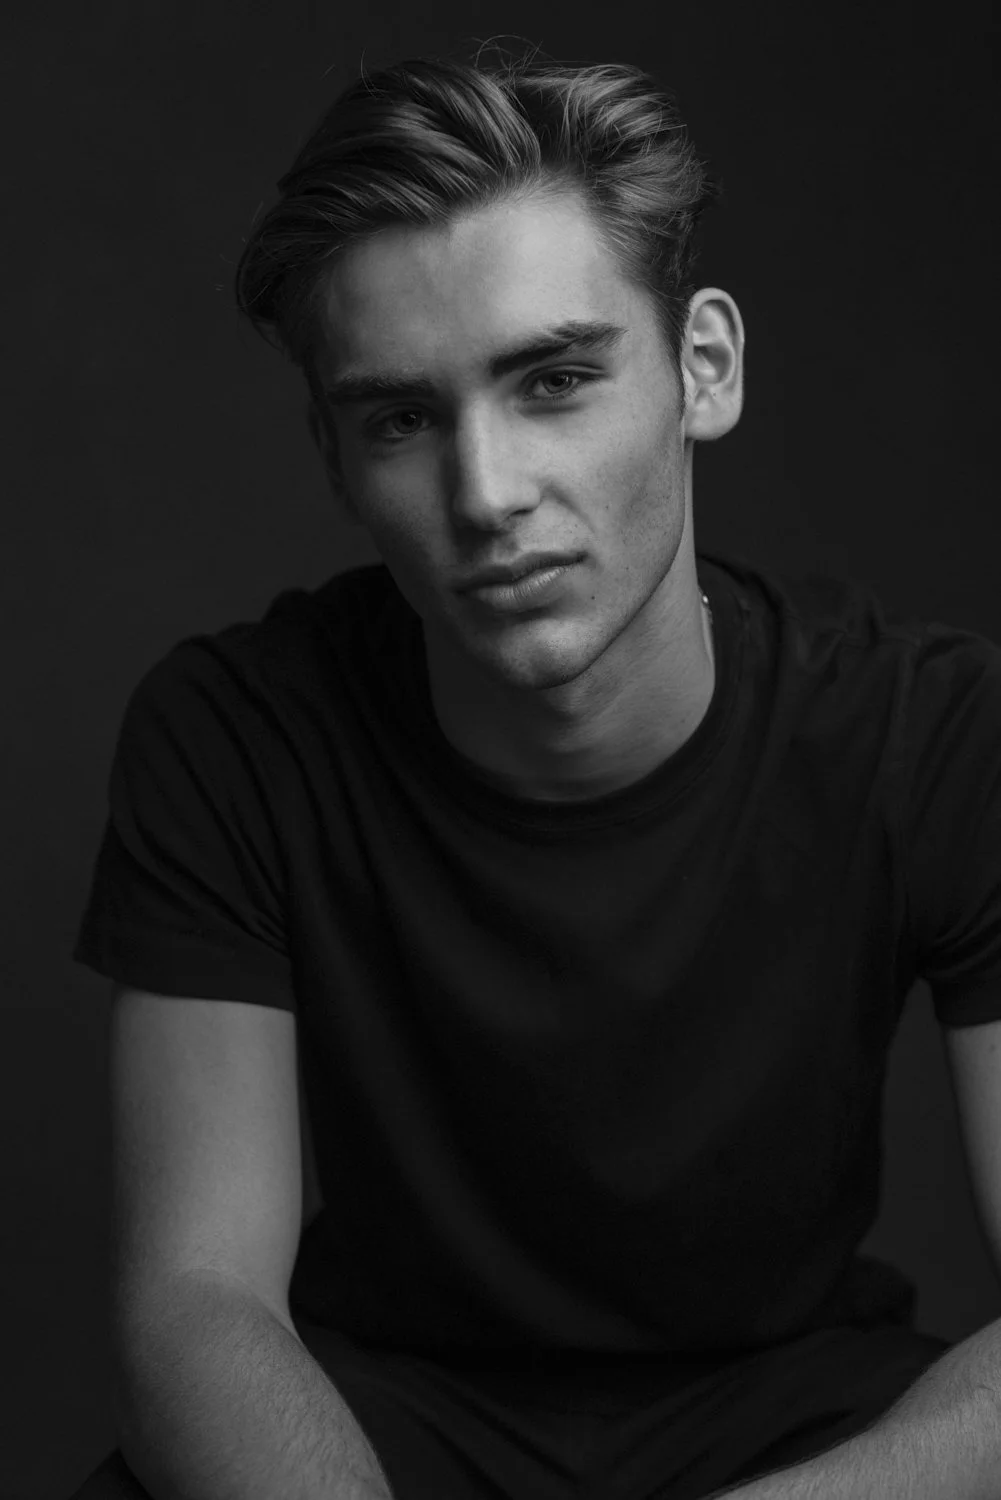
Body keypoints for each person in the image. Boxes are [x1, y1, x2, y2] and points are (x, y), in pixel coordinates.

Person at [68, 44, 1001, 1500]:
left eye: (555, 379)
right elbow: (195, 1304)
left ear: (704, 369)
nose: (486, 494)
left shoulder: (938, 733)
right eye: (402, 419)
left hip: (803, 1432)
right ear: (335, 457)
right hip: (371, 1428)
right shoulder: (235, 734)